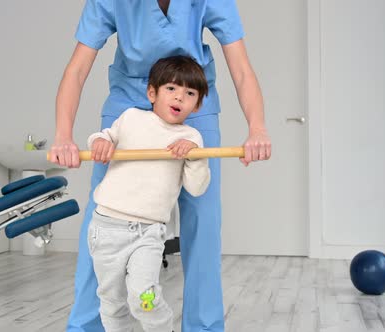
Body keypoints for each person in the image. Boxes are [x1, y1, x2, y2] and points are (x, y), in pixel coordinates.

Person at [49, 1, 272, 331]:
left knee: (203, 220)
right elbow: (77, 68)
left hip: (191, 103)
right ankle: (87, 326)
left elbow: (241, 68)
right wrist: (62, 135)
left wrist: (258, 128)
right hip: (130, 99)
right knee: (103, 213)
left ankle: (203, 326)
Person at [87, 55, 211, 332]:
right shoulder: (131, 118)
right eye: (171, 89)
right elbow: (103, 137)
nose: (179, 97)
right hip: (106, 227)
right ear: (152, 93)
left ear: (197, 104)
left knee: (145, 296)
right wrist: (99, 142)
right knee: (111, 300)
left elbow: (197, 187)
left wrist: (195, 157)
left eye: (189, 93)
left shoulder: (191, 138)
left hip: (149, 232)